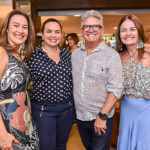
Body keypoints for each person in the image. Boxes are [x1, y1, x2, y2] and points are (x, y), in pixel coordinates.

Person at [71, 10, 123, 150]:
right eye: (87, 26)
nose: (91, 30)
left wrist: (102, 116)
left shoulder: (111, 55)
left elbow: (116, 88)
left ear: (102, 30)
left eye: (95, 26)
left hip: (101, 118)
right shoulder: (74, 55)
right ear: (82, 31)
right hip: (81, 118)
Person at [27, 18, 75, 150]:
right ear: (42, 34)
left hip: (67, 108)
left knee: (61, 145)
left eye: (57, 32)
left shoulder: (67, 54)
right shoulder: (33, 55)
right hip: (44, 110)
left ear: (61, 34)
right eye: (49, 31)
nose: (53, 35)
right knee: (47, 147)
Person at [0, 10, 39, 150]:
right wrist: (2, 134)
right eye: (16, 25)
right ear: (6, 29)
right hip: (8, 128)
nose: (20, 30)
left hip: (25, 126)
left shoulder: (17, 55)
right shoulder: (2, 52)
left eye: (25, 27)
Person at [116, 15, 150, 150]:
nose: (128, 33)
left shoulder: (148, 52)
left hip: (146, 109)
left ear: (139, 32)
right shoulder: (118, 57)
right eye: (123, 30)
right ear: (119, 34)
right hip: (126, 107)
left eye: (132, 29)